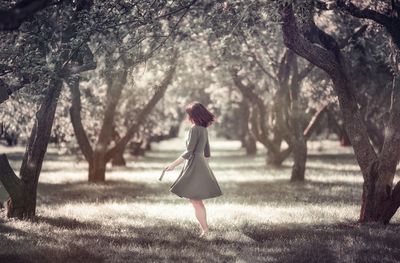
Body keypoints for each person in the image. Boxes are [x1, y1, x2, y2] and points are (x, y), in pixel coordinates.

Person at [165, 101, 223, 237]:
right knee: (197, 200)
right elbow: (207, 152)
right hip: (200, 164)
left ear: (193, 115)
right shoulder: (203, 129)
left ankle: (205, 231)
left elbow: (189, 152)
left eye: (189, 114)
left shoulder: (194, 129)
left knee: (195, 200)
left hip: (194, 164)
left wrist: (173, 165)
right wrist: (203, 165)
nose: (187, 117)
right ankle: (205, 230)